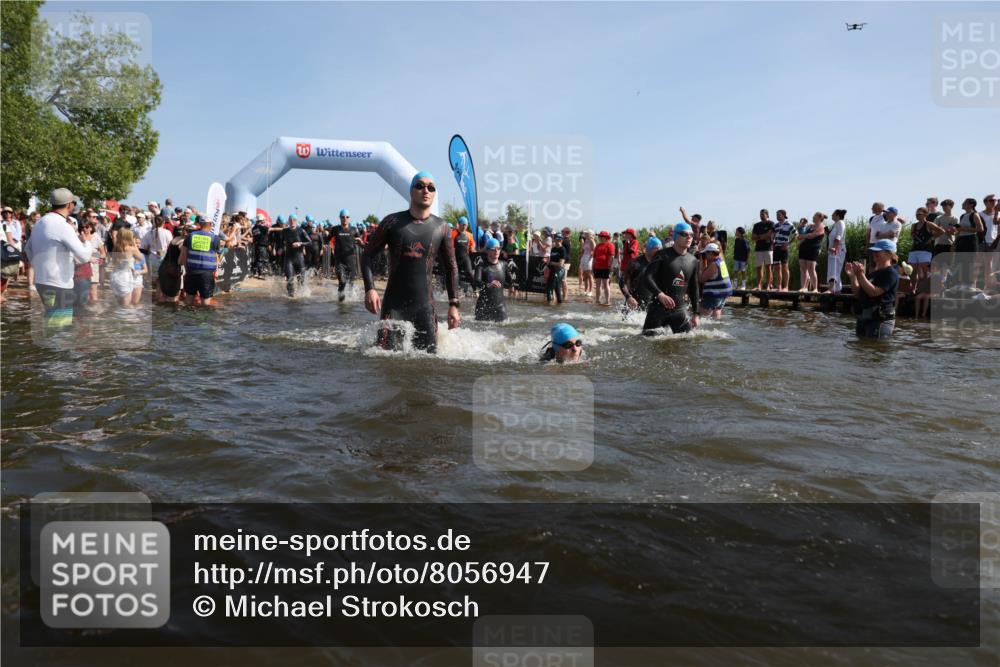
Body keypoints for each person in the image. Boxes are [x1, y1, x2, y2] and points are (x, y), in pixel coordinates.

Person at [361, 171, 460, 353]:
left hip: (425, 308)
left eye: (431, 187)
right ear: (411, 191)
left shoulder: (442, 227)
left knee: (428, 362)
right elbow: (367, 255)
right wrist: (370, 289)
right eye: (420, 186)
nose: (426, 190)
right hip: (394, 306)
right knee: (383, 360)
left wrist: (454, 305)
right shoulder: (392, 222)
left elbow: (451, 267)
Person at [24, 189, 94, 328]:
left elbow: (27, 249)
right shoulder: (63, 226)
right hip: (59, 285)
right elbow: (84, 256)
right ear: (69, 205)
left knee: (52, 321)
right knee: (61, 328)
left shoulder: (40, 222)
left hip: (42, 282)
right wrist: (87, 242)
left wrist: (40, 267)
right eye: (74, 203)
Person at [642, 221, 700, 335]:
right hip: (658, 311)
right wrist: (660, 294)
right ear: (675, 236)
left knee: (689, 342)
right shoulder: (662, 255)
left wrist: (696, 313)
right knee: (647, 342)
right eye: (684, 234)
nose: (689, 237)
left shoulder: (693, 260)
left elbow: (694, 288)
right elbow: (647, 277)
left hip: (679, 312)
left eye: (691, 235)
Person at [846, 239, 899, 340]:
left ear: (889, 254)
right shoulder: (873, 274)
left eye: (878, 251)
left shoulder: (891, 273)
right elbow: (858, 294)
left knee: (876, 347)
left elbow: (874, 292)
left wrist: (860, 274)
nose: (875, 253)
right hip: (865, 317)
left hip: (880, 320)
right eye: (874, 251)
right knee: (861, 347)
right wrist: (853, 276)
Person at [179, 216, 221, 306]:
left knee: (188, 301)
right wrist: (216, 271)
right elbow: (217, 257)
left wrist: (186, 271)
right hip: (207, 274)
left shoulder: (190, 236)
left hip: (191, 272)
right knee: (205, 303)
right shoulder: (215, 238)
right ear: (210, 225)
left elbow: (184, 257)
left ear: (199, 224)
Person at [473, 238, 515, 321]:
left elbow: (510, 280)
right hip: (483, 307)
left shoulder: (504, 265)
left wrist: (512, 286)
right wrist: (488, 285)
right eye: (493, 249)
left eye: (498, 248)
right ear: (488, 250)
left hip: (500, 306)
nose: (496, 251)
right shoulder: (481, 266)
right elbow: (476, 282)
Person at [620, 236, 661, 312]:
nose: (659, 251)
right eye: (657, 249)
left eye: (660, 249)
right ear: (649, 248)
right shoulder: (635, 263)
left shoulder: (659, 264)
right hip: (632, 307)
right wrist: (628, 297)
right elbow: (622, 282)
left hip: (650, 308)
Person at [109, 228, 145, 307]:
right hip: (124, 277)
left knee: (119, 304)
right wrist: (135, 245)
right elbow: (141, 258)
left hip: (114, 276)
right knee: (126, 305)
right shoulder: (131, 248)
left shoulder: (116, 247)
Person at [907, 207, 943, 284]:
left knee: (924, 271)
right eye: (916, 214)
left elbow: (941, 231)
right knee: (912, 271)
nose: (917, 215)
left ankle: (926, 287)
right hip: (914, 249)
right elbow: (912, 236)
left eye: (919, 214)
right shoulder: (914, 225)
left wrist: (932, 238)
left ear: (925, 214)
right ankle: (913, 288)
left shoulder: (929, 224)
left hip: (925, 250)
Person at [955, 198, 984, 289]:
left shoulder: (974, 215)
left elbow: (980, 229)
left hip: (970, 240)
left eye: (965, 202)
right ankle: (961, 284)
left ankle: (971, 285)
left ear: (971, 204)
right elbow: (960, 230)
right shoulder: (962, 216)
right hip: (961, 240)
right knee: (960, 262)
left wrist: (964, 229)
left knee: (970, 262)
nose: (962, 204)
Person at [699, 242, 732, 319]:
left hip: (715, 294)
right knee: (716, 312)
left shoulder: (714, 265)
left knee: (702, 316)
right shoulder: (721, 261)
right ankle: (716, 325)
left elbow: (701, 279)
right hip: (723, 294)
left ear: (711, 253)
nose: (705, 256)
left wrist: (701, 264)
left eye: (706, 253)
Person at [332, 209, 359, 302]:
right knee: (342, 282)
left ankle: (350, 303)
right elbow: (326, 239)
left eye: (347, 217)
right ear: (340, 218)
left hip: (351, 261)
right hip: (339, 261)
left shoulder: (354, 229)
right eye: (343, 217)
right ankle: (341, 303)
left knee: (351, 284)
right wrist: (325, 244)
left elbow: (361, 243)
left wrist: (361, 242)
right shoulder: (335, 229)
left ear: (349, 218)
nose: (345, 219)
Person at [796, 213, 826, 292]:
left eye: (814, 216)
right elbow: (801, 235)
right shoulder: (810, 226)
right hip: (803, 249)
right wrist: (800, 241)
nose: (812, 217)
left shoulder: (822, 227)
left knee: (811, 269)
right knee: (803, 269)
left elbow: (812, 235)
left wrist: (803, 236)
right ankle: (803, 287)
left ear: (819, 218)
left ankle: (815, 288)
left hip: (813, 249)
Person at [281, 214, 310, 296]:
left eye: (294, 220)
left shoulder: (301, 231)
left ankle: (301, 295)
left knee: (301, 281)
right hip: (289, 258)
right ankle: (291, 296)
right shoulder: (285, 231)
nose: (292, 221)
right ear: (288, 221)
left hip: (299, 258)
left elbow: (310, 242)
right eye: (290, 220)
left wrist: (300, 243)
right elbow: (281, 241)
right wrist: (280, 248)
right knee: (290, 280)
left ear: (296, 221)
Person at [157, 224, 187, 303]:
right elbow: (181, 261)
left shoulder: (174, 239)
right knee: (173, 298)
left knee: (162, 297)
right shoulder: (183, 242)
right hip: (173, 270)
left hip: (164, 267)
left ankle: (160, 311)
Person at [771, 210, 796, 291]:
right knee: (777, 267)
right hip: (776, 248)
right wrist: (772, 241)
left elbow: (796, 234)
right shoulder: (776, 225)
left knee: (785, 267)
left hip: (784, 248)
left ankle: (786, 287)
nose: (777, 216)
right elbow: (773, 234)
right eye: (776, 215)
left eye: (779, 215)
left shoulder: (789, 224)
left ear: (783, 215)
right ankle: (779, 286)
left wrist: (788, 244)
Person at [750, 209, 775, 290]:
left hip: (768, 248)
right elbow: (753, 237)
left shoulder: (771, 223)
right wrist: (762, 236)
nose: (761, 216)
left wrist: (759, 237)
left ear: (767, 215)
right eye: (760, 214)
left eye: (763, 214)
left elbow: (769, 235)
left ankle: (768, 285)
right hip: (758, 249)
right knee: (759, 267)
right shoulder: (756, 225)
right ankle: (759, 285)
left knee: (768, 267)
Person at [826, 209, 848, 293]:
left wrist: (835, 248)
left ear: (837, 215)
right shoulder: (835, 224)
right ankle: (837, 289)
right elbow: (832, 236)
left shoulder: (840, 223)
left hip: (838, 250)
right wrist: (827, 232)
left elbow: (839, 236)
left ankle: (831, 289)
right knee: (834, 269)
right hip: (833, 250)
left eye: (833, 214)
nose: (831, 215)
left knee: (834, 269)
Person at [452, 216, 476, 288]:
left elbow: (473, 243)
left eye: (466, 225)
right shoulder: (453, 233)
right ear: (459, 224)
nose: (464, 227)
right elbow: (449, 245)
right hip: (455, 257)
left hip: (465, 257)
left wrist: (472, 247)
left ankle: (475, 289)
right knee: (455, 275)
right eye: (463, 225)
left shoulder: (469, 235)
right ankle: (453, 290)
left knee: (470, 273)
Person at [545, 234, 569, 305]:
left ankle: (550, 303)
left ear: (561, 240)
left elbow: (561, 264)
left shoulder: (562, 249)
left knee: (550, 287)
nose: (557, 241)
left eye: (559, 240)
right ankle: (559, 303)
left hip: (559, 271)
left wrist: (551, 263)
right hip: (553, 270)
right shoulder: (553, 249)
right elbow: (550, 260)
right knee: (556, 288)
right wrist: (547, 262)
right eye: (556, 240)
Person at [592, 230, 614, 306]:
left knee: (605, 284)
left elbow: (612, 256)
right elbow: (594, 258)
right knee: (598, 284)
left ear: (606, 237)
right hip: (597, 267)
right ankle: (597, 300)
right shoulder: (597, 246)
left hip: (606, 267)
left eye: (602, 236)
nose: (600, 238)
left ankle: (607, 301)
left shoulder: (610, 245)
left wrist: (610, 266)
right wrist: (593, 267)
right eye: (600, 236)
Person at [579, 230, 595, 298]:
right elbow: (583, 250)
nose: (585, 234)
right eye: (585, 233)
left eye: (586, 233)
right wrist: (581, 256)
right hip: (584, 258)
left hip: (589, 258)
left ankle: (590, 291)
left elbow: (594, 250)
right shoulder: (586, 241)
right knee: (585, 275)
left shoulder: (592, 241)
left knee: (589, 275)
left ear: (590, 234)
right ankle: (586, 290)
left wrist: (590, 258)